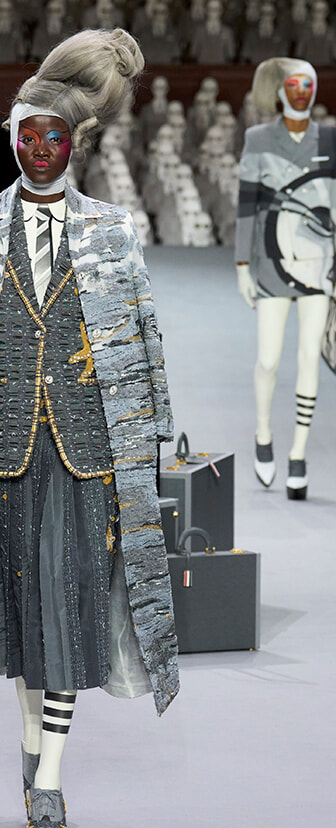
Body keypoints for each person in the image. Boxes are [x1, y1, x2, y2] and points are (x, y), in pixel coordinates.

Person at [0, 29, 179, 828]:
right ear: (9, 136)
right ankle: (36, 759)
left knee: (66, 617)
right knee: (25, 627)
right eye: (27, 134)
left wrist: (146, 460)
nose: (39, 149)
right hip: (0, 455)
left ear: (77, 143)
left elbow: (142, 342)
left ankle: (50, 785)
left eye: (54, 135)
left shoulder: (114, 231)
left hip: (85, 454)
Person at [235, 57, 336, 499]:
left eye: (307, 84)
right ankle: (263, 434)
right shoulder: (258, 139)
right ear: (279, 91)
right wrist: (242, 264)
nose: (301, 92)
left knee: (310, 357)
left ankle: (298, 454)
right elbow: (247, 204)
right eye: (293, 84)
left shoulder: (330, 139)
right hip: (272, 261)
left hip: (319, 261)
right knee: (269, 360)